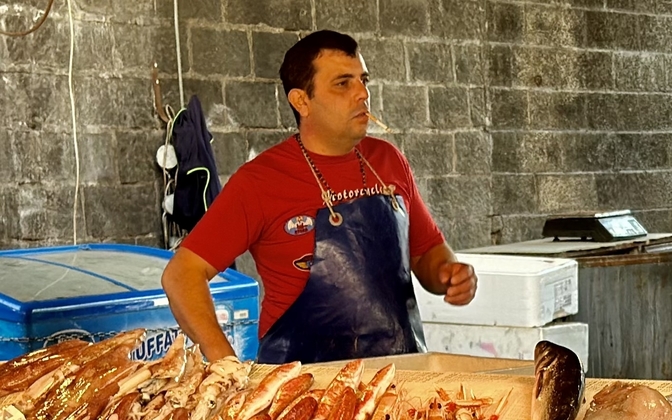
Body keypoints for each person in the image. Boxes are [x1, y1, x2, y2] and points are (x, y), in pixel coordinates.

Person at [161, 30, 477, 364]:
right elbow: (182, 275)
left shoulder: (388, 160)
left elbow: (425, 251)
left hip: (399, 375)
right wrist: (223, 360)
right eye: (343, 83)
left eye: (363, 80)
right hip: (303, 387)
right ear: (301, 101)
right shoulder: (260, 181)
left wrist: (448, 273)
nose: (362, 94)